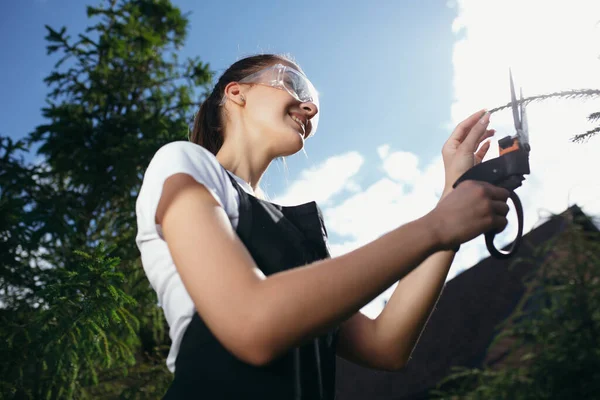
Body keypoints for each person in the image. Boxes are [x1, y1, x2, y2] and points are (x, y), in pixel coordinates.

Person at [134, 53, 508, 399]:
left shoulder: (298, 237)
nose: (310, 107)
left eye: (311, 100)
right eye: (292, 85)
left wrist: (451, 198)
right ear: (237, 93)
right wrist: (439, 225)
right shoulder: (183, 163)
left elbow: (384, 343)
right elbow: (252, 322)